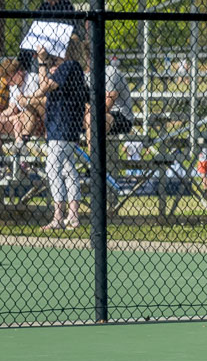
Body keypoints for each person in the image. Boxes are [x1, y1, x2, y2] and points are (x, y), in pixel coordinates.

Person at [29, 38, 88, 230]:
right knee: (68, 169)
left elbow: (44, 87)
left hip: (62, 125)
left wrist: (42, 61)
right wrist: (44, 65)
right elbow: (43, 85)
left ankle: (58, 216)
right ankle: (72, 216)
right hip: (63, 125)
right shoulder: (71, 68)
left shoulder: (69, 65)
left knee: (53, 168)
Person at [82, 55, 135, 152]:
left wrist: (88, 110)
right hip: (92, 114)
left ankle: (94, 161)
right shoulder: (82, 75)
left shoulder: (111, 72)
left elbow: (107, 105)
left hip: (120, 116)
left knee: (91, 118)